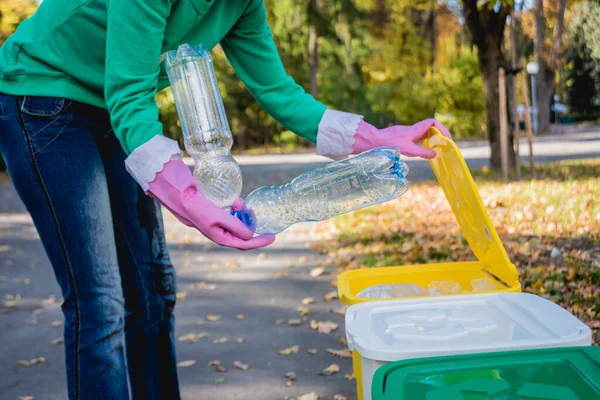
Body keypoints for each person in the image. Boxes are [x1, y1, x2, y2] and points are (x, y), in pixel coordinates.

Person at [0, 1, 451, 399]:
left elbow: (277, 91)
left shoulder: (242, 5)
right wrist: (191, 199)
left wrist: (376, 136)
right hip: (42, 97)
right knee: (100, 301)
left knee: (153, 292)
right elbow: (131, 96)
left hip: (113, 108)